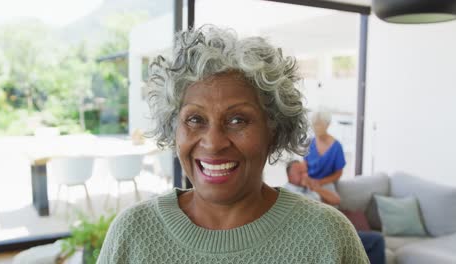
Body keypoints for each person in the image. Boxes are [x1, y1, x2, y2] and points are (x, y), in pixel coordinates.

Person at [98, 26, 369, 263]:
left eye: (238, 120)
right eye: (194, 119)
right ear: (174, 129)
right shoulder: (133, 234)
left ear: (273, 130)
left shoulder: (327, 237)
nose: (214, 143)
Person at [285, 160, 385, 264]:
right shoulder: (287, 193)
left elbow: (336, 200)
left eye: (305, 172)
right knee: (376, 240)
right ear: (289, 176)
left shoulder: (311, 188)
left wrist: (315, 187)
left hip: (334, 231)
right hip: (318, 237)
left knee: (376, 239)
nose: (305, 175)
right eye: (300, 173)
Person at [305, 111, 346, 190]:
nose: (314, 127)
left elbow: (338, 174)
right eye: (313, 124)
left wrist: (319, 182)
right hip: (309, 184)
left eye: (318, 124)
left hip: (326, 184)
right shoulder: (309, 143)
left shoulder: (336, 147)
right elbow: (304, 166)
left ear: (327, 125)